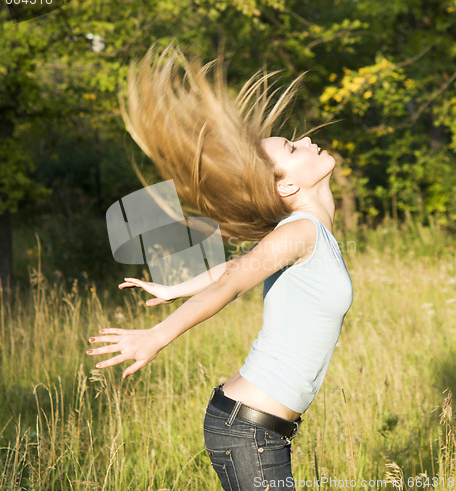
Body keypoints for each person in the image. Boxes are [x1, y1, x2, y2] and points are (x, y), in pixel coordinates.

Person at [86, 44, 353, 490]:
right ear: (287, 183)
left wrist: (174, 289)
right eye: (291, 145)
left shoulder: (304, 231)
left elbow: (243, 264)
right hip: (249, 431)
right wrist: (156, 335)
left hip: (255, 428)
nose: (306, 140)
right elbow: (233, 280)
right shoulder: (300, 231)